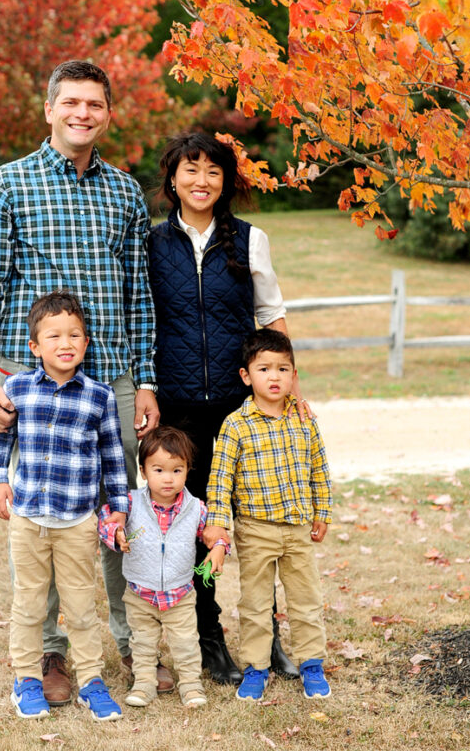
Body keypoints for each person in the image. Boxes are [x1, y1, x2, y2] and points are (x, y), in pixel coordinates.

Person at [0, 59, 166, 705]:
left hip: (110, 375)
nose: (83, 114)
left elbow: (140, 295)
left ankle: (130, 640)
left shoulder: (125, 193)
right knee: (45, 517)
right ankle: (50, 654)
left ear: (109, 113)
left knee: (113, 514)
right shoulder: (7, 186)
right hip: (34, 381)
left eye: (95, 104)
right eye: (71, 102)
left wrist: (146, 383)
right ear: (49, 108)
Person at [147, 131, 306, 684]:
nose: (201, 181)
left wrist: (290, 388)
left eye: (213, 172)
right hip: (179, 410)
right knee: (197, 528)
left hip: (243, 411)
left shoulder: (249, 239)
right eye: (190, 170)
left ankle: (270, 640)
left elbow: (272, 314)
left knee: (260, 527)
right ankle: (210, 639)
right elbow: (145, 322)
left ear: (227, 181)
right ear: (172, 178)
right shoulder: (151, 244)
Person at [0, 291, 128, 720]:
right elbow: (0, 439)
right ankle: (27, 680)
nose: (65, 343)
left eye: (74, 335)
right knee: (29, 604)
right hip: (29, 518)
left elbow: (113, 457)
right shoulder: (16, 388)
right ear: (35, 347)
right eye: (53, 336)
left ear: (86, 343)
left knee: (82, 606)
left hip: (77, 521)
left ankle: (90, 681)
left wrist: (119, 505)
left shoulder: (99, 397)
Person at [204, 330, 332, 702]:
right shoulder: (236, 425)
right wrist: (217, 522)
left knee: (305, 599)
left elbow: (319, 467)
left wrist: (321, 511)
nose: (274, 377)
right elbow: (220, 480)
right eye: (264, 369)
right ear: (247, 376)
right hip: (255, 530)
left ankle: (311, 664)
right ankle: (256, 668)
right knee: (256, 604)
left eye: (282, 368)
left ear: (294, 374)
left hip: (297, 528)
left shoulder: (304, 419)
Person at [99, 426, 227, 708]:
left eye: (176, 470)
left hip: (179, 593)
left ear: (187, 470)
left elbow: (216, 533)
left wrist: (219, 548)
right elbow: (107, 520)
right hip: (140, 592)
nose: (168, 479)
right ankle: (144, 683)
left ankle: (191, 685)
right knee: (142, 643)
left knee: (185, 643)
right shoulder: (131, 503)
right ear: (143, 471)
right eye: (158, 470)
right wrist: (116, 535)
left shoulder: (196, 508)